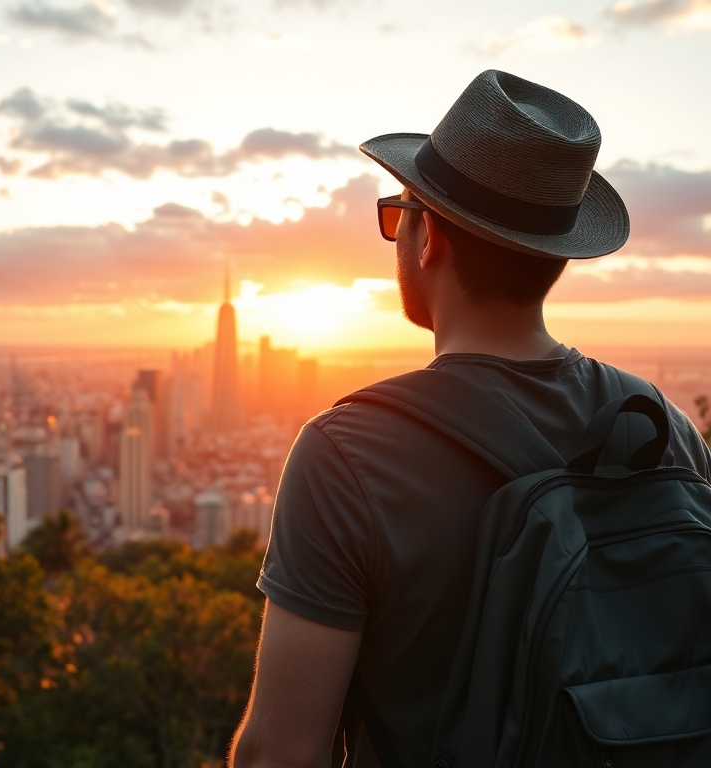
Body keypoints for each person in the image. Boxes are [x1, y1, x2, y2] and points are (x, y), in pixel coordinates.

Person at [227, 70, 711, 768]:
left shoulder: (348, 455)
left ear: (429, 240)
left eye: (400, 213)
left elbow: (282, 753)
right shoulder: (662, 430)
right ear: (556, 256)